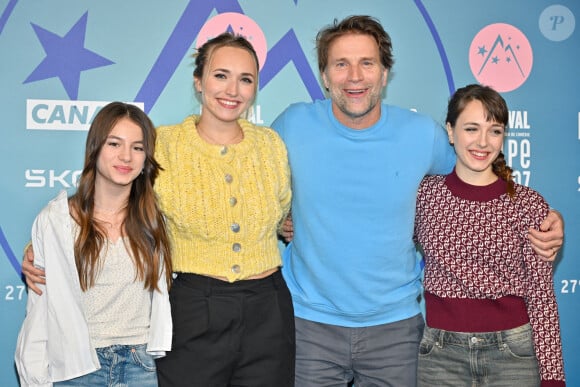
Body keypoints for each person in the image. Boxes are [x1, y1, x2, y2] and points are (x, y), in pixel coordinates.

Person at [272, 15, 564, 386]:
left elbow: (476, 182)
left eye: (367, 63)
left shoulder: (421, 134)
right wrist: (281, 217)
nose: (355, 76)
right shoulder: (292, 124)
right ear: (325, 77)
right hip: (310, 326)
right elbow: (249, 183)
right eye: (341, 64)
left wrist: (548, 218)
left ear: (384, 73)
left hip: (395, 331)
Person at [22, 32, 294, 387]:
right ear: (199, 82)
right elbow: (111, 198)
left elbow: (282, 213)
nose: (233, 90)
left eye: (246, 79)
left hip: (267, 310)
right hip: (194, 309)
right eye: (220, 75)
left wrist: (286, 225)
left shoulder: (271, 146)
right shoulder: (163, 144)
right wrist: (44, 248)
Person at [414, 84, 565, 386]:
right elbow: (373, 231)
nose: (483, 142)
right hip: (440, 356)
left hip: (513, 355)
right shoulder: (424, 194)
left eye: (494, 131)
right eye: (471, 128)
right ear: (450, 130)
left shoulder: (527, 203)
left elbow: (541, 296)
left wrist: (553, 378)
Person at [14, 102, 173, 386]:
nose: (126, 156)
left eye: (137, 147)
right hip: (77, 367)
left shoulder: (154, 221)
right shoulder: (57, 220)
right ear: (95, 147)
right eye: (114, 143)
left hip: (140, 366)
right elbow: (39, 313)